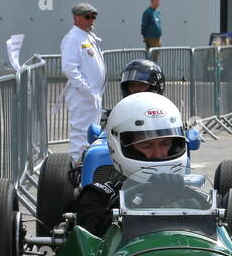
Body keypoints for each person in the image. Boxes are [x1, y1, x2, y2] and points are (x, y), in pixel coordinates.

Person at [73, 91, 189, 235]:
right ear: (117, 146)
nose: (159, 154)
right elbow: (91, 246)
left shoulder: (191, 193)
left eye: (165, 143)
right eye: (147, 146)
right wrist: (146, 200)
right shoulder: (98, 197)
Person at [60, 2, 106, 163]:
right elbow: (69, 67)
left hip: (92, 95)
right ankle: (76, 166)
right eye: (87, 17)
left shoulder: (86, 36)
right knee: (80, 133)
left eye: (93, 17)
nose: (91, 20)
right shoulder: (73, 38)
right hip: (82, 95)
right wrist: (85, 89)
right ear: (76, 18)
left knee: (91, 132)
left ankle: (87, 163)